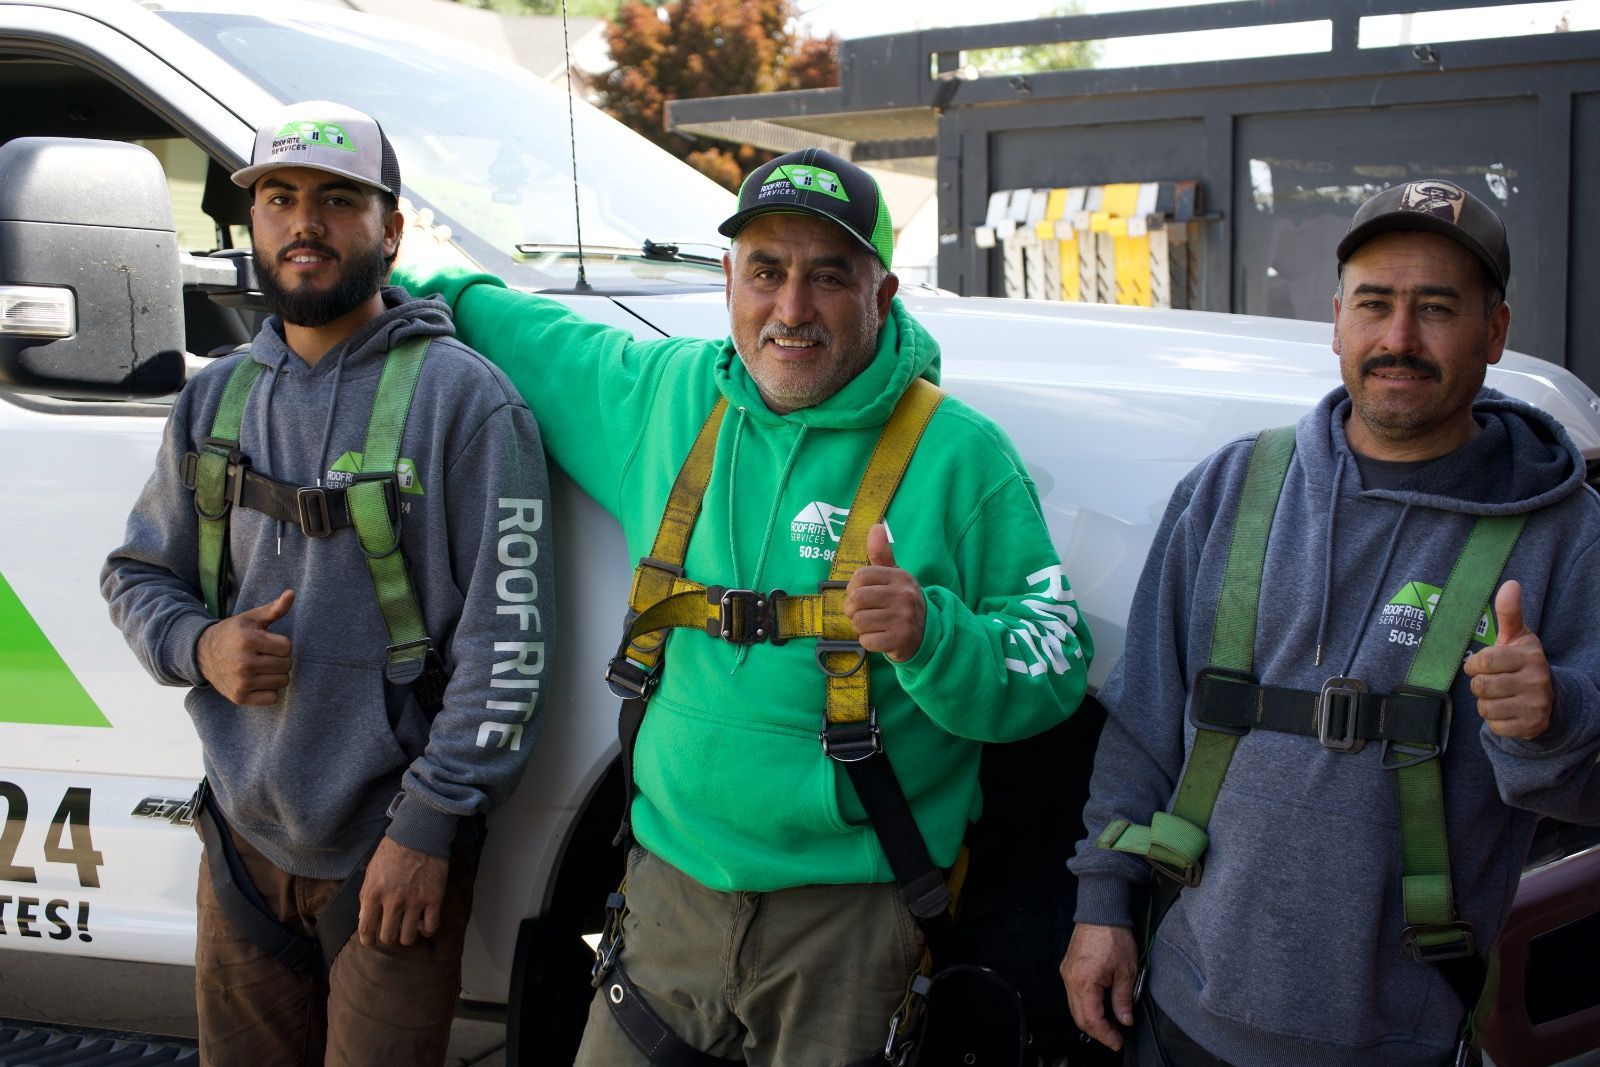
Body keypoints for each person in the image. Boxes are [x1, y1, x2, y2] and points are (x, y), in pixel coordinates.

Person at [394, 147, 1092, 1065]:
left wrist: (935, 636)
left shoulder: (960, 455)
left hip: (848, 922)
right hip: (664, 901)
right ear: (730, 281)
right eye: (766, 271)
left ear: (882, 295)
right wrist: (369, 262)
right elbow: (503, 319)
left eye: (828, 276)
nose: (791, 308)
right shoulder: (666, 397)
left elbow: (1055, 663)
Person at [1062, 178, 1600, 1067]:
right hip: (1183, 1006)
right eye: (1376, 304)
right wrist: (1100, 906)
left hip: (1403, 1033)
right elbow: (1144, 727)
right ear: (1336, 318)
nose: (1399, 338)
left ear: (1494, 332)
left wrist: (1551, 722)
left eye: (1437, 308)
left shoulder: (1564, 535)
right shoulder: (1231, 489)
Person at [102, 100, 553, 1066]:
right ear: (254, 222)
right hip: (240, 842)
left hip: (392, 854)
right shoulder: (212, 399)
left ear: (389, 229)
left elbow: (505, 652)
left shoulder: (465, 404)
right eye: (278, 197)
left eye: (337, 199)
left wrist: (426, 832)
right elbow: (138, 574)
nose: (304, 222)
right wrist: (201, 648)